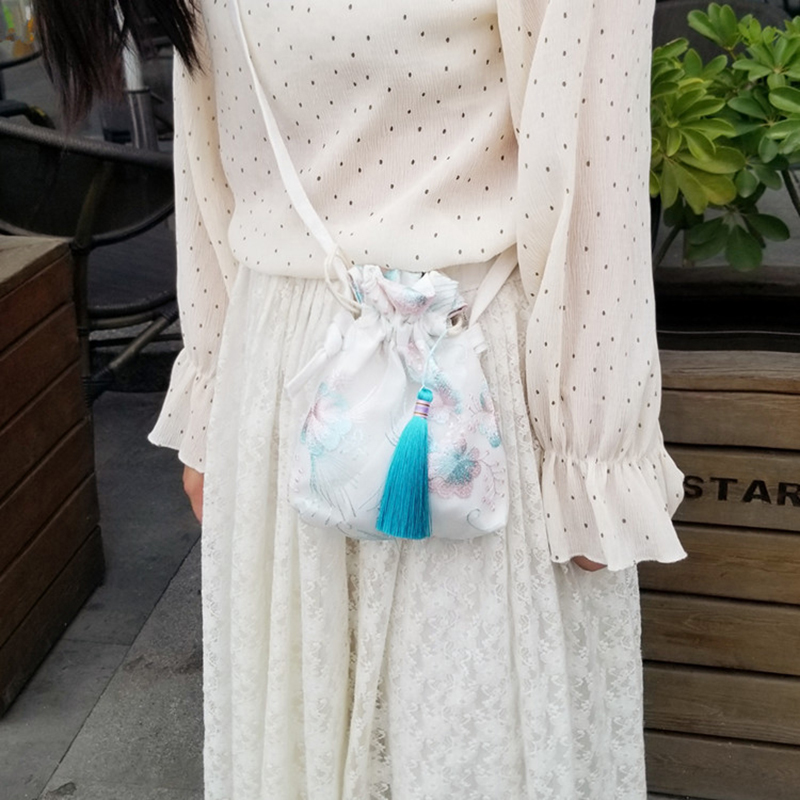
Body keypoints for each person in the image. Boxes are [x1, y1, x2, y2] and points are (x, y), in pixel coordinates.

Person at [38, 0, 687, 796]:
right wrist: (594, 461)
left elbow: (210, 176)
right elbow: (589, 176)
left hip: (372, 382)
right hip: (416, 380)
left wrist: (592, 454)